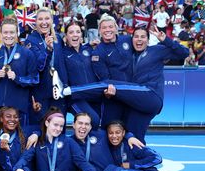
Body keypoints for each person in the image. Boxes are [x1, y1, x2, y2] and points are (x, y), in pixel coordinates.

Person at [57, 26, 189, 142]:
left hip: (151, 94)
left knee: (108, 84)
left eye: (143, 37)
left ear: (148, 40)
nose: (139, 40)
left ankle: (68, 91)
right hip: (138, 103)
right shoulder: (131, 56)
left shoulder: (157, 50)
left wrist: (165, 39)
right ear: (131, 41)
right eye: (136, 37)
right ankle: (143, 164)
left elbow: (184, 52)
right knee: (133, 136)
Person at [0, 17, 43, 128]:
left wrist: (17, 78)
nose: (9, 35)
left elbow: (35, 79)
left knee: (19, 142)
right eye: (5, 32)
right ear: (1, 34)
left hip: (18, 108)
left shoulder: (27, 53)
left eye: (12, 32)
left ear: (17, 33)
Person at [53, 21, 102, 129]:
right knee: (92, 120)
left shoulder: (88, 49)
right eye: (71, 32)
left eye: (78, 32)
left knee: (97, 125)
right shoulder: (62, 53)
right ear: (66, 36)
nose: (75, 34)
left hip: (94, 95)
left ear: (81, 35)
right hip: (76, 98)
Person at [23, 8, 65, 124]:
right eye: (40, 19)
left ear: (52, 20)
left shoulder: (58, 38)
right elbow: (38, 66)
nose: (44, 22)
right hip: (40, 92)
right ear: (35, 22)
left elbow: (62, 62)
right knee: (41, 126)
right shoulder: (31, 41)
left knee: (58, 125)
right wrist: (48, 49)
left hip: (58, 91)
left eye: (47, 18)